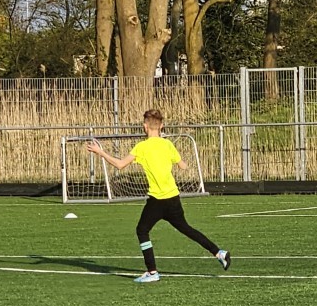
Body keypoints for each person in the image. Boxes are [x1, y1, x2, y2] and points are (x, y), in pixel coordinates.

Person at [87, 108, 230, 282]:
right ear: (161, 126)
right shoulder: (167, 144)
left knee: (142, 230)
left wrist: (100, 152)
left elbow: (119, 164)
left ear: (144, 127)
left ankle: (152, 272)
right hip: (173, 197)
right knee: (187, 229)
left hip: (157, 200)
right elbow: (183, 166)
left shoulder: (142, 147)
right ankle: (218, 252)